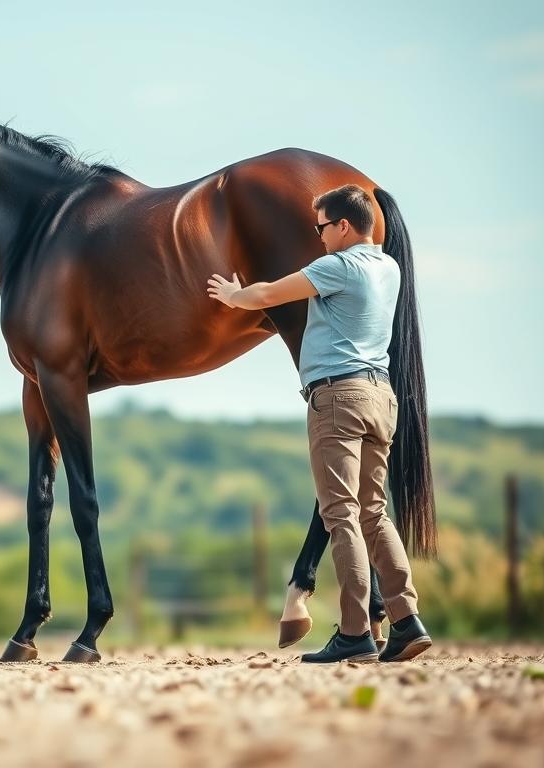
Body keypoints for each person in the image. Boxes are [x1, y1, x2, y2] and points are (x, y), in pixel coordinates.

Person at [206, 184, 431, 663]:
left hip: (337, 398)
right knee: (374, 512)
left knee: (341, 514)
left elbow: (270, 293)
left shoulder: (338, 267)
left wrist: (232, 294)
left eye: (322, 227)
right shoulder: (389, 268)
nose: (319, 237)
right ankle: (406, 620)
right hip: (381, 396)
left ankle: (354, 632)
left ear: (344, 226)